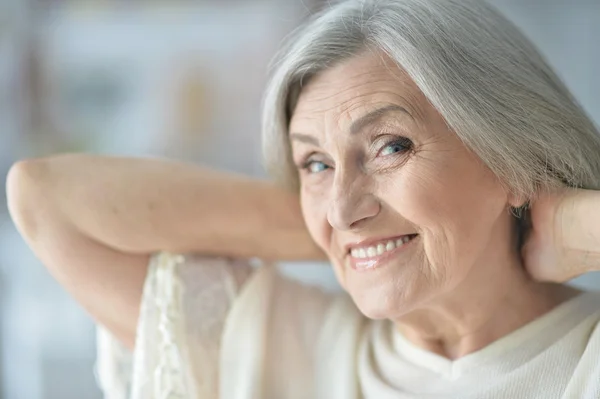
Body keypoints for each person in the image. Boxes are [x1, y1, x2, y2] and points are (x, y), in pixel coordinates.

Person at [6, 0, 600, 398]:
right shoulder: (280, 344)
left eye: (390, 146)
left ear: (511, 157)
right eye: (314, 163)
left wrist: (576, 224)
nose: (342, 204)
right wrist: (342, 236)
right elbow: (45, 198)